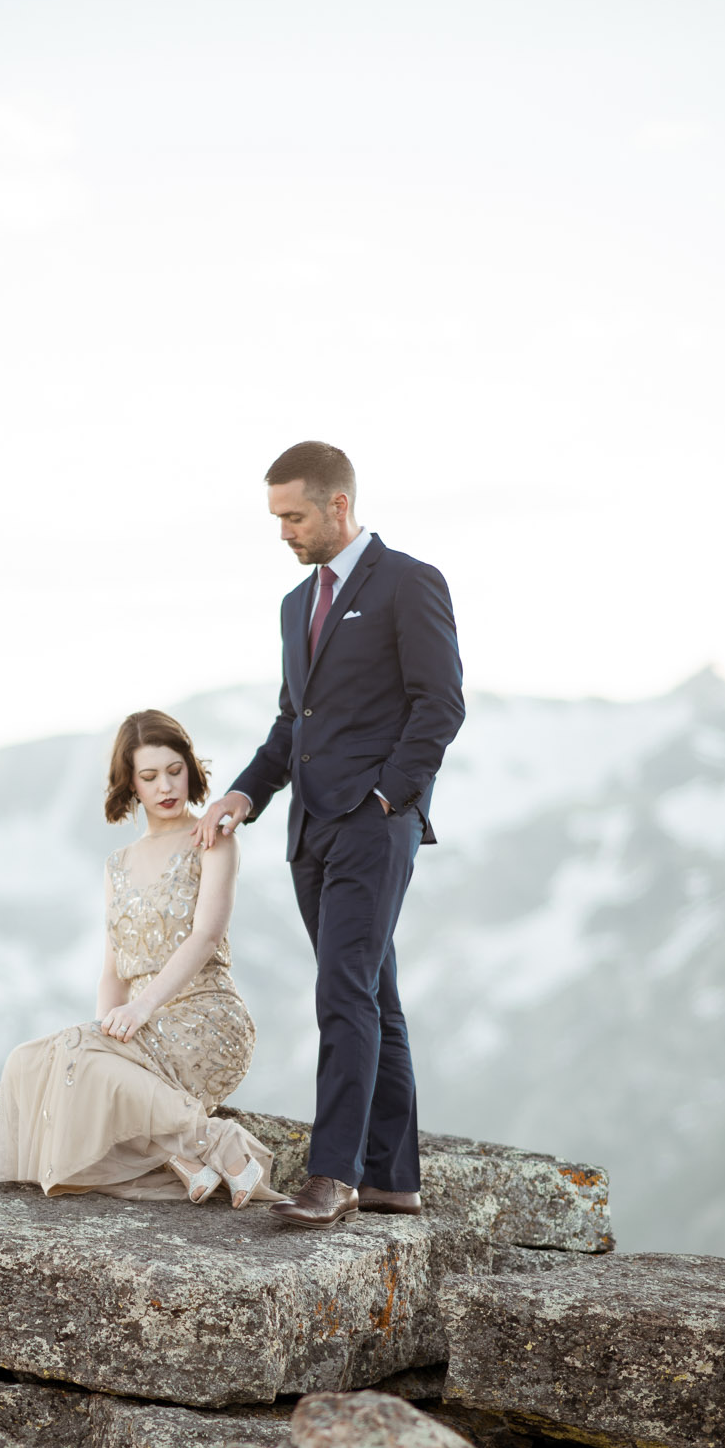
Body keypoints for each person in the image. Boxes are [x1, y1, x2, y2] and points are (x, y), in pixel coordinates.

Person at [195, 441, 465, 1227]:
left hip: (374, 825)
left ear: (337, 506)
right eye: (276, 516)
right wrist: (246, 792)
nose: (283, 530)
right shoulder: (293, 606)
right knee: (372, 992)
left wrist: (389, 798)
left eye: (293, 515)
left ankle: (334, 1175)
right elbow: (294, 722)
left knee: (341, 988)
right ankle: (390, 1179)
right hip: (309, 829)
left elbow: (438, 705)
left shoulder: (408, 583)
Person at [0, 709, 284, 1206]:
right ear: (130, 785)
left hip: (207, 1020)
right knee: (29, 1061)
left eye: (175, 770)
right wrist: (107, 1033)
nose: (166, 786)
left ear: (190, 768)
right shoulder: (117, 865)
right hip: (140, 1028)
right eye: (149, 777)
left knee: (76, 1054)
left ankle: (218, 1143)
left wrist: (139, 1010)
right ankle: (188, 1153)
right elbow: (112, 971)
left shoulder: (213, 841)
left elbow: (206, 937)